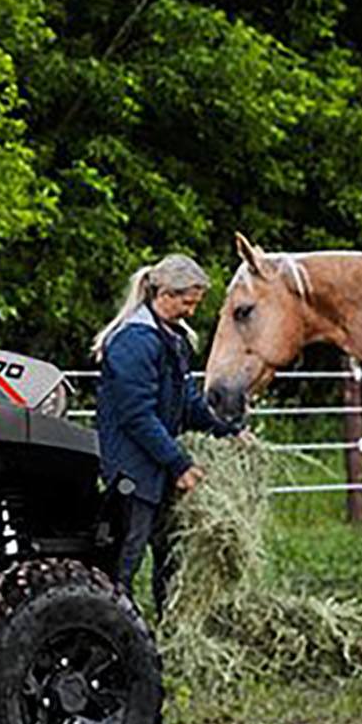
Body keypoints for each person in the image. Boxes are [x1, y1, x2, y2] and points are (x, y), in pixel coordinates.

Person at [91, 253, 242, 613]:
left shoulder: (171, 338)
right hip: (132, 468)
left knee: (170, 551)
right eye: (188, 302)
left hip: (156, 467)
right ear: (165, 294)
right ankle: (112, 629)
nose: (191, 311)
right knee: (126, 556)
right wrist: (178, 464)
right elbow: (136, 415)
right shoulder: (133, 342)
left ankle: (170, 627)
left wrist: (228, 431)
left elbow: (187, 403)